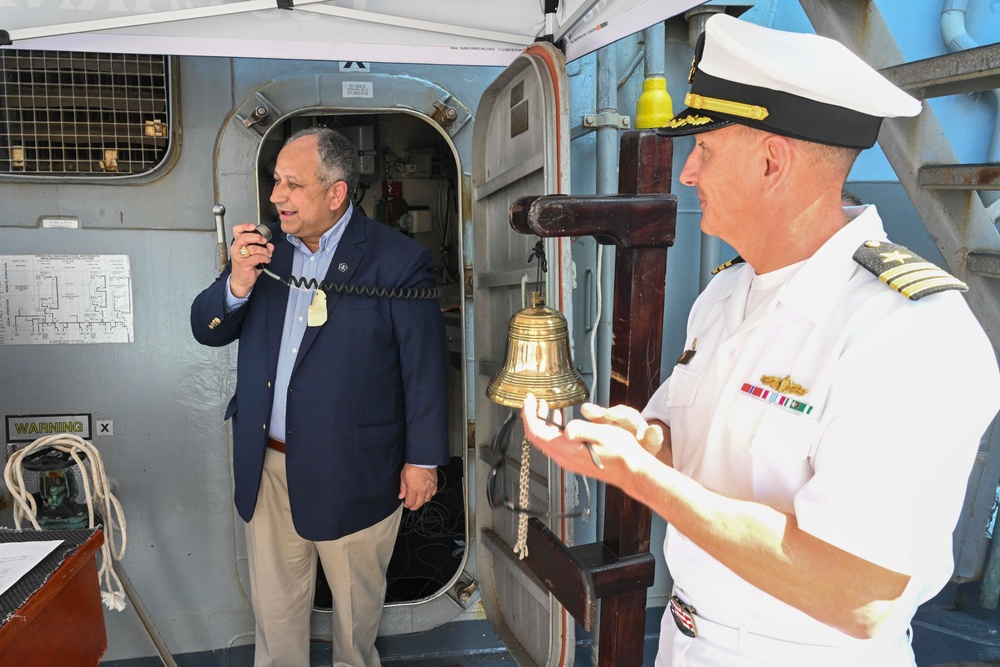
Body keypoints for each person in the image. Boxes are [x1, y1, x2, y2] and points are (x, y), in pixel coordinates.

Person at [522, 14, 1000, 667]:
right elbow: (686, 428)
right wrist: (639, 440)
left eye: (706, 151)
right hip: (687, 641)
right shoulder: (726, 293)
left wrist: (645, 480)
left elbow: (862, 596)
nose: (687, 174)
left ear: (773, 162)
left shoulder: (913, 335)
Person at [191, 126, 449, 667]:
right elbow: (208, 328)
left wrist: (422, 460)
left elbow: (423, 368)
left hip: (356, 468)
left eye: (292, 184)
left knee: (356, 617)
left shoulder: (396, 260)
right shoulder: (262, 253)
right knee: (276, 611)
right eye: (275, 181)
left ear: (335, 193)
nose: (275, 196)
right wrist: (237, 280)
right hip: (270, 464)